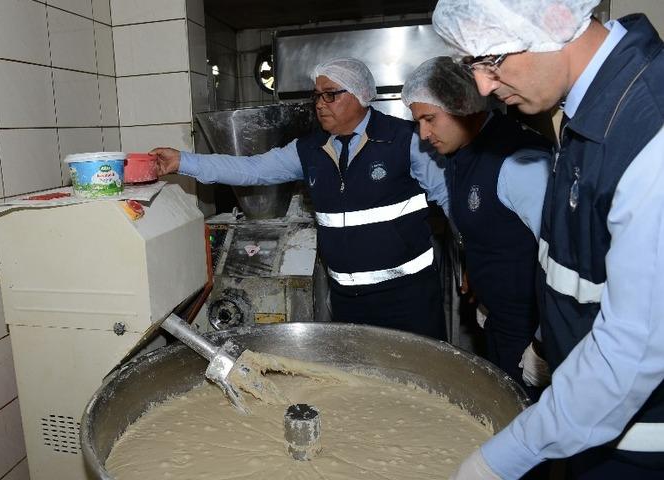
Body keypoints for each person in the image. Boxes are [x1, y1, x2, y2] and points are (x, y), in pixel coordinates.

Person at [432, 0, 664, 478]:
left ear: (556, 20)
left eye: (492, 59)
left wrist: (496, 461)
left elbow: (632, 354)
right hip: (589, 430)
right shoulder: (588, 112)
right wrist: (545, 342)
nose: (481, 87)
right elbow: (576, 258)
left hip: (638, 449)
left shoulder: (649, 130)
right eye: (471, 64)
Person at [151, 58, 449, 339]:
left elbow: (450, 200)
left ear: (360, 94)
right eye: (317, 96)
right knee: (360, 386)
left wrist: (474, 263)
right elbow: (252, 169)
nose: (320, 104)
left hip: (409, 298)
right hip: (348, 303)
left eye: (330, 95)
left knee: (420, 387)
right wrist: (183, 162)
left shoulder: (406, 140)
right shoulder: (309, 150)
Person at [401, 56, 552, 397]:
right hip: (498, 319)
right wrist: (477, 270)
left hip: (528, 330)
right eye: (418, 122)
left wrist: (545, 346)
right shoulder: (461, 153)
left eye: (429, 119)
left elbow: (561, 258)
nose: (423, 135)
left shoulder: (520, 162)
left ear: (463, 106)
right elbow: (491, 225)